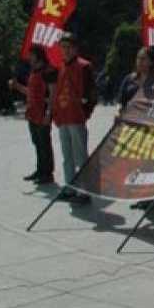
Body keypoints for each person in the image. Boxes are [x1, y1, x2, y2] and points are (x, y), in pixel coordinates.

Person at [52, 34, 97, 204]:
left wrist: (85, 112)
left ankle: (84, 191)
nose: (65, 50)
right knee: (67, 155)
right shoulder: (61, 66)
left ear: (75, 48)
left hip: (76, 118)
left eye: (68, 46)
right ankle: (70, 187)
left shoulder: (84, 66)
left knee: (80, 156)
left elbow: (92, 94)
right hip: (63, 117)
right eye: (62, 47)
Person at [118, 47, 154, 210]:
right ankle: (141, 196)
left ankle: (153, 196)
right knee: (135, 163)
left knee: (150, 164)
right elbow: (121, 101)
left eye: (144, 59)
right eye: (138, 58)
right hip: (132, 127)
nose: (140, 62)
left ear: (151, 61)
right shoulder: (129, 79)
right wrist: (119, 114)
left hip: (151, 128)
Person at [9, 46, 56, 186]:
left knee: (44, 144)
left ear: (37, 55)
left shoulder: (48, 71)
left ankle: (47, 173)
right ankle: (40, 170)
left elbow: (53, 94)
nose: (29, 57)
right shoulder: (33, 71)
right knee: (37, 143)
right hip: (32, 113)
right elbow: (31, 92)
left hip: (42, 113)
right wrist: (17, 86)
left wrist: (49, 113)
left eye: (31, 55)